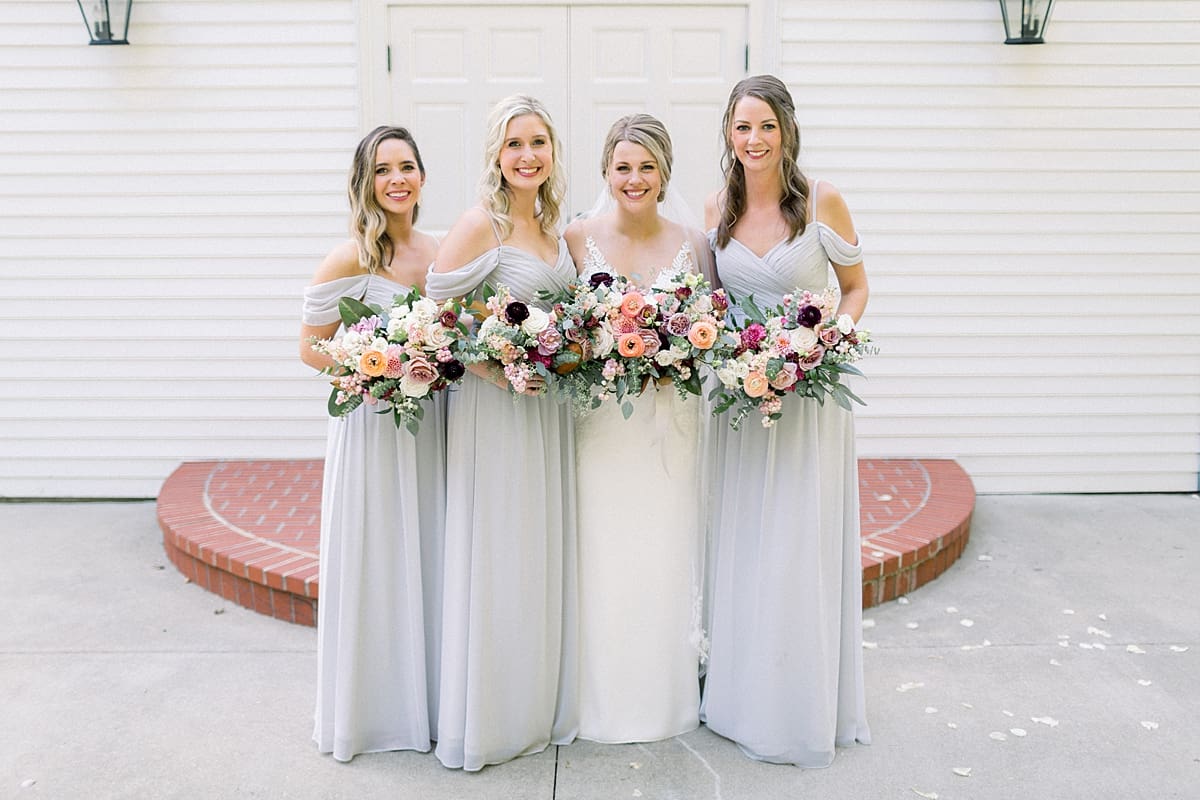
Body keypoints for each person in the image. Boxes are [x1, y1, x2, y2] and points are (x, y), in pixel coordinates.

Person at [700, 75, 872, 766]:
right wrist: (735, 363)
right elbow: (712, 305)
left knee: (798, 539)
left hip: (810, 400)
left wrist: (825, 342)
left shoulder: (822, 200)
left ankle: (798, 701)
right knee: (746, 539)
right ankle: (744, 695)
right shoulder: (716, 209)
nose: (754, 140)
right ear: (729, 135)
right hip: (740, 402)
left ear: (787, 131)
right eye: (742, 127)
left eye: (766, 126)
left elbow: (856, 289)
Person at [425, 94, 579, 771]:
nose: (527, 155)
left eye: (539, 142)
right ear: (496, 153)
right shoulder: (478, 224)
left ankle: (533, 703)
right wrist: (495, 370)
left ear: (552, 152)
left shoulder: (554, 230)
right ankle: (490, 718)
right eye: (515, 143)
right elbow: (433, 316)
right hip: (496, 412)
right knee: (498, 551)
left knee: (536, 551)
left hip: (546, 409)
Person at [562, 113, 711, 743]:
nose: (635, 178)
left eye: (647, 166)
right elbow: (561, 337)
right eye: (623, 166)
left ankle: (661, 696)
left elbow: (714, 337)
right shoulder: (573, 239)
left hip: (667, 426)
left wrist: (673, 357)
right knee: (601, 553)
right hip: (600, 426)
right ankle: (598, 698)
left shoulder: (695, 244)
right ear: (605, 172)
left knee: (663, 550)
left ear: (665, 173)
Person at [300, 126, 445, 761]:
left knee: (429, 554)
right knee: (378, 556)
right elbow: (309, 347)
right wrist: (373, 367)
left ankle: (431, 700)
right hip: (370, 427)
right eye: (383, 169)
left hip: (433, 426)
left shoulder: (440, 252)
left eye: (407, 166)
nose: (397, 179)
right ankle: (373, 711)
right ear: (366, 181)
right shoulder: (348, 258)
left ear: (421, 177)